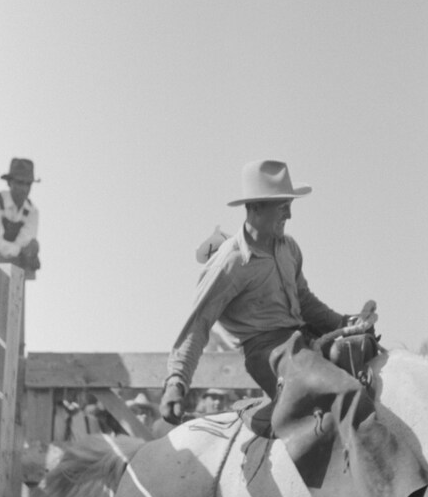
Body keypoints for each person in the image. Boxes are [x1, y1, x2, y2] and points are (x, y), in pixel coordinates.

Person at [160, 159, 377, 423]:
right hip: (266, 352)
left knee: (363, 353)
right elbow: (199, 323)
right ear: (255, 208)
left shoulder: (289, 249)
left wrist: (345, 323)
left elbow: (304, 300)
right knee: (335, 393)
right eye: (283, 207)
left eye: (290, 206)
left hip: (302, 338)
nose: (290, 215)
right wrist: (177, 382)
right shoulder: (231, 262)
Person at [0, 158, 42, 278]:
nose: (24, 189)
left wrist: (28, 253)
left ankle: (13, 290)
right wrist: (21, 252)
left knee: (32, 249)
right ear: (10, 182)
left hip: (5, 258)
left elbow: (25, 242)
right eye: (20, 182)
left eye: (28, 184)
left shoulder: (32, 212)